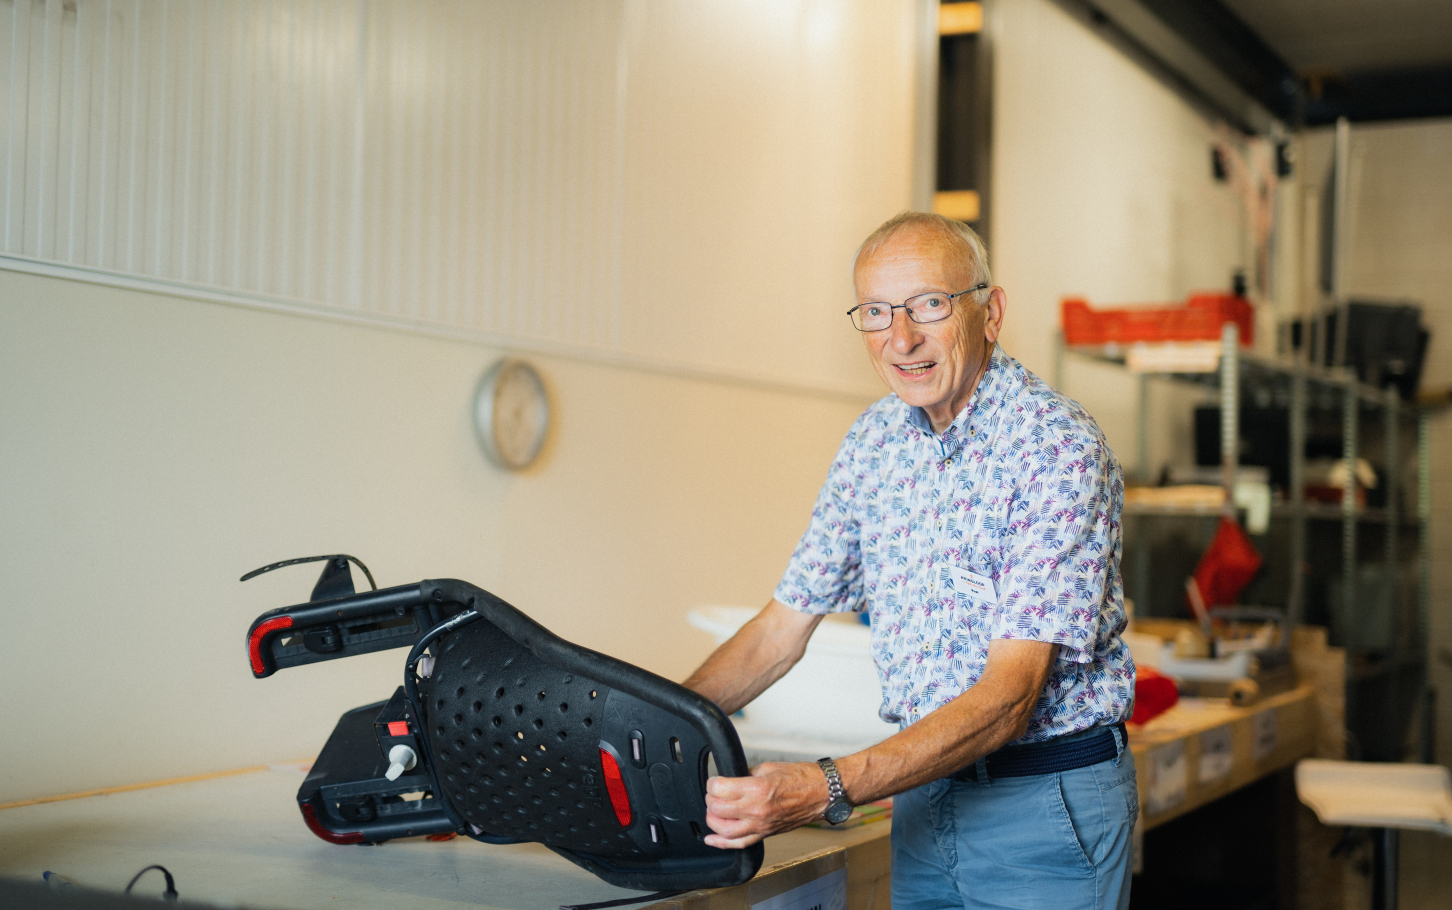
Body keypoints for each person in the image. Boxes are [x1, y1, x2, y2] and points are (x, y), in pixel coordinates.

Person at [682, 212, 1137, 909]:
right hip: (922, 799)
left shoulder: (1054, 447)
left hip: (1041, 810)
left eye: (929, 304)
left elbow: (1010, 698)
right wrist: (646, 728)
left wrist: (825, 785)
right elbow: (779, 630)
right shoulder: (874, 442)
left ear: (990, 313)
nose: (901, 338)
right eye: (875, 312)